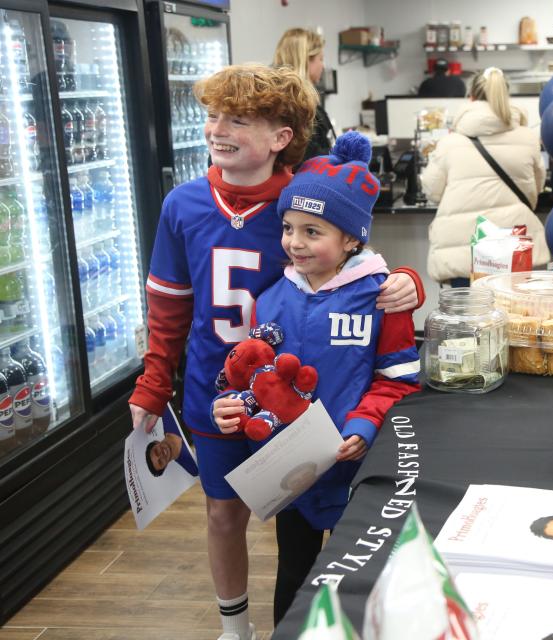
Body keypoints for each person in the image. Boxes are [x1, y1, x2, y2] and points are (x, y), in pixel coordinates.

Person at [128, 65, 423, 640]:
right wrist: (152, 382)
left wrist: (408, 280)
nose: (217, 128)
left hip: (301, 400)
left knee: (301, 519)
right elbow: (167, 307)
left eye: (237, 119)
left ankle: (325, 622)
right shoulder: (183, 204)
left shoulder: (301, 198)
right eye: (212, 115)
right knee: (223, 511)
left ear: (281, 137)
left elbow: (359, 264)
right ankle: (234, 627)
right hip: (215, 393)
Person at [212, 131, 421, 626]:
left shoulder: (380, 297)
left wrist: (364, 426)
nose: (294, 242)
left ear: (352, 239)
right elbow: (252, 375)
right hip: (293, 475)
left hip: (358, 469)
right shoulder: (270, 300)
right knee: (295, 579)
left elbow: (399, 379)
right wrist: (232, 406)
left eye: (313, 231)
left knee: (358, 582)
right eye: (289, 228)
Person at [422, 67, 549, 284]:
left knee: (466, 315)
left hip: (464, 250)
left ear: (470, 98)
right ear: (505, 96)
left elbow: (432, 191)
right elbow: (535, 190)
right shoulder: (528, 138)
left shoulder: (451, 142)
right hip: (514, 248)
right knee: (516, 315)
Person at [273, 27, 336, 163]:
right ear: (306, 60)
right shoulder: (294, 109)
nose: (323, 66)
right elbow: (308, 160)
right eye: (321, 59)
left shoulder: (303, 104)